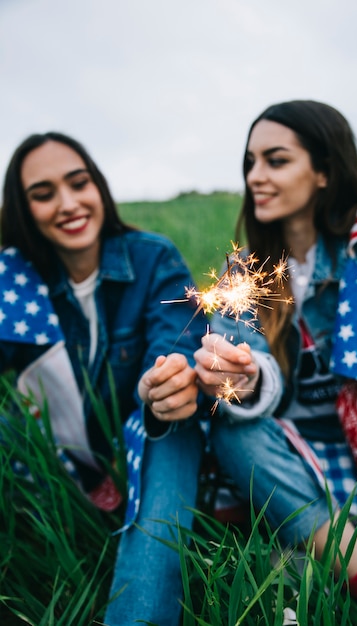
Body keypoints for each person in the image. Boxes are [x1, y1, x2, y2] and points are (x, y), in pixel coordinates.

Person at [194, 100, 357, 624]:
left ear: (323, 171)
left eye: (276, 161)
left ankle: (316, 568)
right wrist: (241, 377)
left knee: (253, 574)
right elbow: (245, 369)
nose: (256, 177)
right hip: (298, 468)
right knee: (231, 427)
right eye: (250, 163)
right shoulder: (244, 272)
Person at [0, 132, 206, 626]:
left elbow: (174, 345)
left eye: (78, 183)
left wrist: (164, 383)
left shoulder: (152, 256)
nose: (68, 204)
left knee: (172, 428)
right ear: (22, 208)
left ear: (99, 186)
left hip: (144, 436)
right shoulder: (15, 283)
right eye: (44, 194)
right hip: (59, 455)